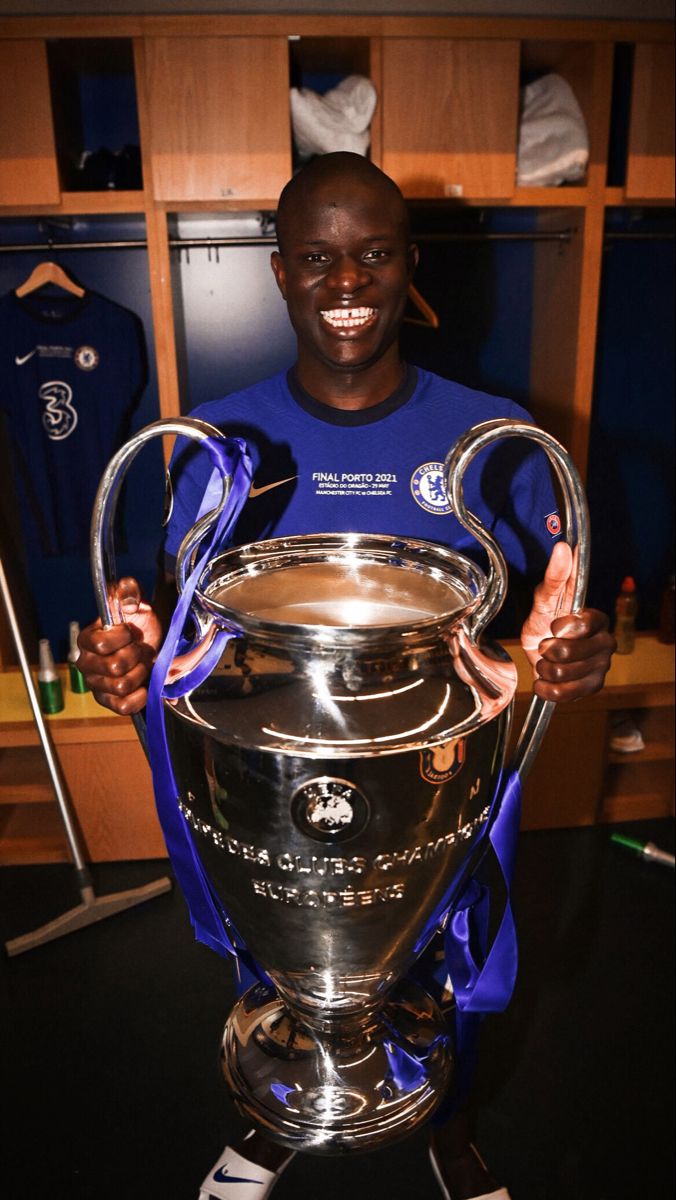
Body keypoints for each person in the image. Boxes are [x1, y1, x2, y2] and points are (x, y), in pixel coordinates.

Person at [77, 152, 615, 1200]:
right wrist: (136, 669)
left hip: (435, 777)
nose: (348, 284)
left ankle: (448, 1133)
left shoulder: (486, 432)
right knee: (269, 945)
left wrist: (557, 663)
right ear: (278, 271)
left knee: (456, 966)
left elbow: (526, 633)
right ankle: (280, 1116)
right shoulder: (222, 441)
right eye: (317, 258)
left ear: (409, 263)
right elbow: (190, 647)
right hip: (272, 790)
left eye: (374, 254)